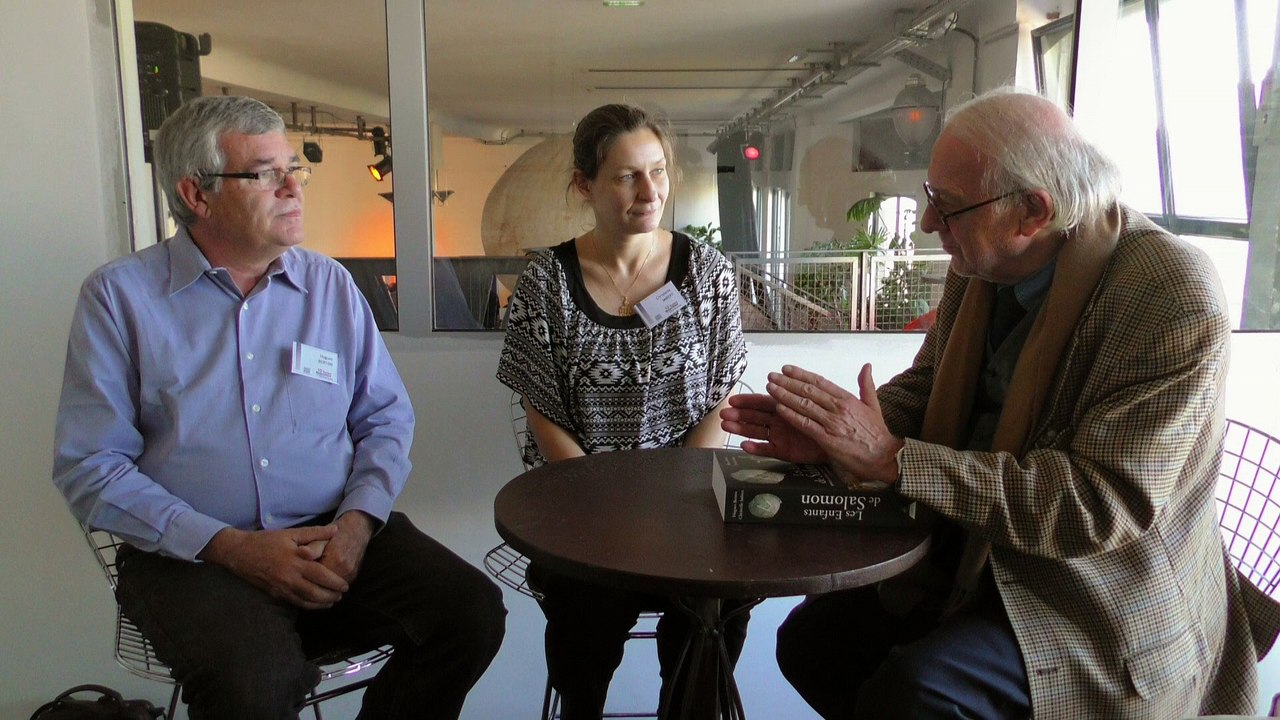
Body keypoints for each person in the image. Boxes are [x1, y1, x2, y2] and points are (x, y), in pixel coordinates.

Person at [720, 87, 1280, 719]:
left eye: (947, 206)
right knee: (811, 643)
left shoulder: (1170, 294)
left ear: (1032, 212)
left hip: (1099, 594)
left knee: (915, 694)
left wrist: (895, 459)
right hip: (971, 549)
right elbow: (927, 387)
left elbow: (1099, 505)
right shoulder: (982, 265)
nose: (927, 224)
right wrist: (834, 434)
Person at [52, 95, 506, 720]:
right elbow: (89, 466)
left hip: (331, 533)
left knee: (469, 614)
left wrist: (357, 524)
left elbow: (384, 418)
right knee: (256, 685)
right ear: (197, 193)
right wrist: (230, 547)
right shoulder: (119, 298)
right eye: (266, 173)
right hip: (191, 559)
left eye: (295, 169)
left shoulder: (329, 285)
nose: (293, 187)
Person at [497, 103, 749, 719]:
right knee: (584, 622)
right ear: (584, 185)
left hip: (689, 507)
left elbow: (721, 395)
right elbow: (540, 407)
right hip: (585, 512)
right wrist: (611, 511)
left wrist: (674, 499)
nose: (649, 191)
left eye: (657, 171)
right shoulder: (547, 283)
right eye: (626, 176)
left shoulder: (706, 274)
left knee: (716, 613)